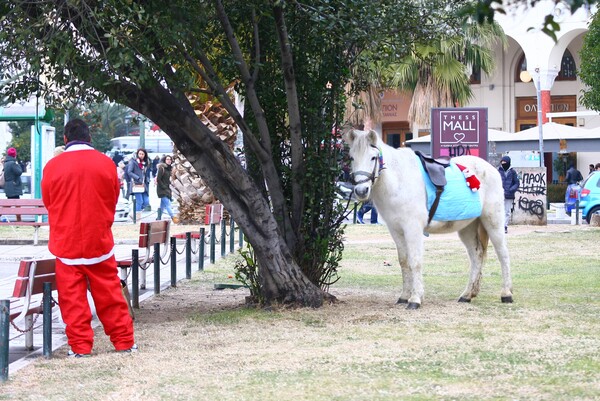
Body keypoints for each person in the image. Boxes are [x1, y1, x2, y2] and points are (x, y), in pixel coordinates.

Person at [41, 119, 136, 357]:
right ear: (89, 138)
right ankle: (124, 342)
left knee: (72, 300)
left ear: (65, 139)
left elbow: (49, 202)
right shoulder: (106, 164)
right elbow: (113, 198)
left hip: (66, 243)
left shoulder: (53, 166)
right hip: (99, 241)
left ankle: (81, 347)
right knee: (110, 295)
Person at [127, 148, 152, 219]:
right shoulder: (133, 161)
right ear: (137, 154)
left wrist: (147, 179)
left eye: (143, 154)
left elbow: (146, 173)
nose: (141, 155)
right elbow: (129, 172)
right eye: (140, 154)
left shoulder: (146, 162)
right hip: (136, 184)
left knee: (146, 201)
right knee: (140, 201)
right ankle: (136, 218)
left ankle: (133, 214)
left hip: (144, 184)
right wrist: (137, 178)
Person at [498, 155, 519, 234]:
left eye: (504, 162)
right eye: (502, 162)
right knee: (500, 211)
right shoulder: (498, 171)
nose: (503, 164)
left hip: (509, 195)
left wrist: (511, 190)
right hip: (500, 195)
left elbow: (516, 183)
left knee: (507, 211)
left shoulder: (513, 172)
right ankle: (499, 226)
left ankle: (504, 226)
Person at [156, 155, 179, 223]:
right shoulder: (162, 168)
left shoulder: (171, 169)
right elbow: (158, 179)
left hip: (168, 189)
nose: (169, 160)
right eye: (167, 159)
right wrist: (163, 186)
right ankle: (173, 218)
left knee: (162, 205)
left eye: (170, 159)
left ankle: (158, 218)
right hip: (162, 189)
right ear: (164, 160)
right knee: (168, 204)